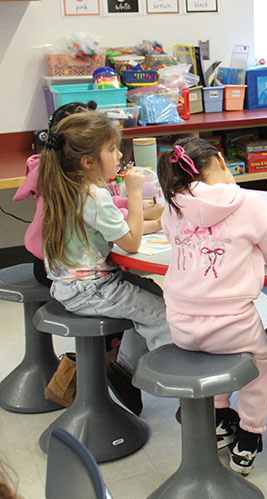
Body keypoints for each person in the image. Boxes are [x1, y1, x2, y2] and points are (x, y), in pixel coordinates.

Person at [14, 101, 163, 413]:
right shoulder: (94, 195)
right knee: (166, 315)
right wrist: (134, 194)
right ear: (87, 161)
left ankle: (124, 369)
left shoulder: (67, 186)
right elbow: (131, 242)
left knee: (154, 293)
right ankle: (174, 380)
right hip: (92, 290)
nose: (120, 155)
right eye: (112, 149)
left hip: (71, 285)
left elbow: (118, 231)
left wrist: (157, 223)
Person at [158, 137, 267, 475]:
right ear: (220, 159)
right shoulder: (248, 202)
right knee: (261, 364)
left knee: (211, 356)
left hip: (181, 325)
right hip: (232, 326)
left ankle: (219, 416)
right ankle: (249, 437)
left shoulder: (173, 204)